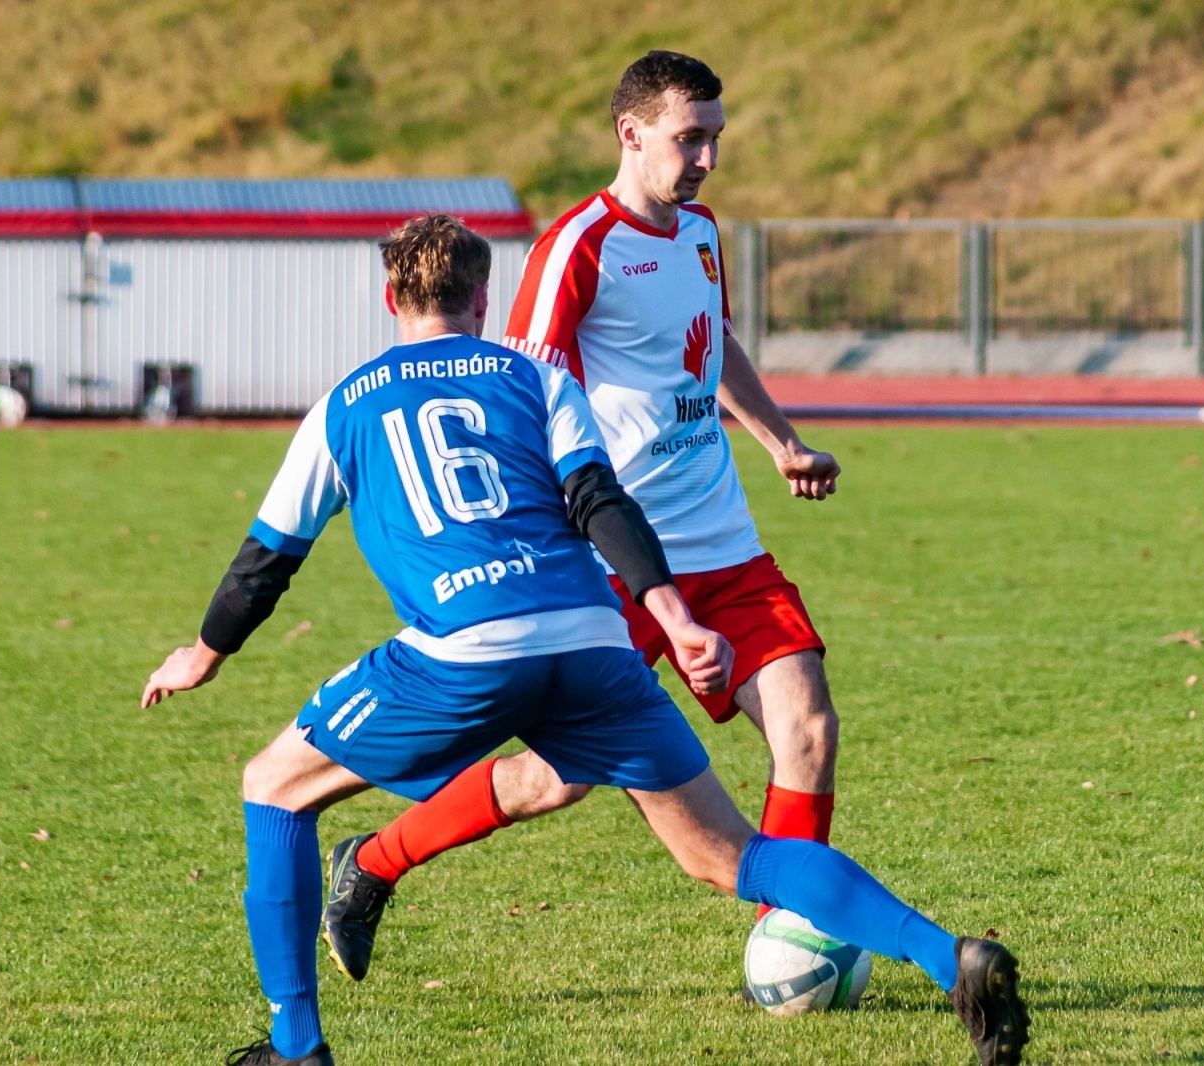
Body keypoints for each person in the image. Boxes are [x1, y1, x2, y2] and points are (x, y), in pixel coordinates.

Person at [141, 215, 1029, 1066]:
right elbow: (602, 502)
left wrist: (203, 654)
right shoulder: (535, 379)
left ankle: (296, 1047)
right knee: (732, 856)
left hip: (465, 650)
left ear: (390, 300)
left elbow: (266, 562)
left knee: (274, 786)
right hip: (596, 640)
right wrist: (677, 619)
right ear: (482, 299)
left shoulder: (343, 405)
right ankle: (949, 957)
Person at [328, 47, 851, 988]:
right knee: (554, 779)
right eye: (689, 139)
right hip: (615, 564)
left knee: (808, 726)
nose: (707, 159)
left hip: (725, 546)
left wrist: (781, 442)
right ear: (631, 133)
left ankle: (791, 943)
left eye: (716, 139)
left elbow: (713, 342)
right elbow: (519, 392)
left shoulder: (701, 233)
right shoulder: (577, 246)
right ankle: (371, 862)